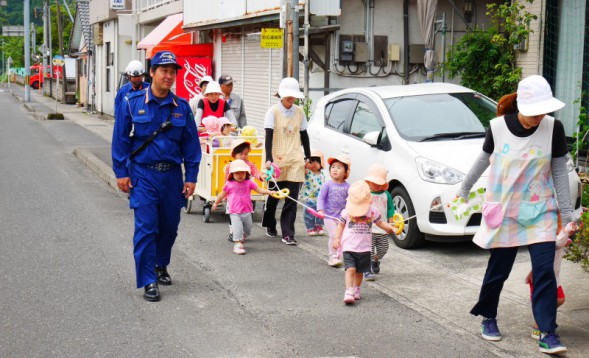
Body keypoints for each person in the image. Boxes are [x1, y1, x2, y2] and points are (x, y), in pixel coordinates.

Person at [457, 75, 575, 355]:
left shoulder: (553, 128)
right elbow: (483, 159)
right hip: (505, 210)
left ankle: (548, 332)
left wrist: (568, 213)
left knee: (545, 271)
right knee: (499, 269)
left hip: (540, 211)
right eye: (535, 111)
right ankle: (488, 316)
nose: (539, 116)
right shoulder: (497, 127)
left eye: (544, 110)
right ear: (521, 104)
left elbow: (558, 170)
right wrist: (464, 189)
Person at [111, 50, 200, 302]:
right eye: (164, 71)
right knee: (146, 228)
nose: (169, 76)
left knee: (170, 227)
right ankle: (148, 279)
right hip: (143, 175)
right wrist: (121, 172)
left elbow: (191, 146)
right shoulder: (133, 102)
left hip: (171, 177)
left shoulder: (182, 108)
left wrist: (191, 177)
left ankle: (161, 264)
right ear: (152, 73)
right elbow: (120, 139)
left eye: (173, 72)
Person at [262, 77, 311, 246]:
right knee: (274, 196)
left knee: (291, 197)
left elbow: (304, 134)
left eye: (293, 95)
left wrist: (308, 156)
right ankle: (269, 223)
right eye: (288, 95)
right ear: (281, 95)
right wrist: (268, 158)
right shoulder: (272, 112)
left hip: (295, 157)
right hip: (277, 157)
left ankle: (288, 233)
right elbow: (268, 136)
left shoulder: (300, 112)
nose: (291, 98)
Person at [333, 181, 396, 304]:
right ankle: (349, 290)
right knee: (350, 269)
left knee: (360, 272)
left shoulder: (372, 211)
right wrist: (337, 238)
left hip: (365, 248)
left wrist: (390, 227)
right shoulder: (346, 212)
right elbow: (340, 226)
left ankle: (356, 288)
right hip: (349, 247)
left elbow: (380, 223)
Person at [525, 213, 577, 340]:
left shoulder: (558, 234)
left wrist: (567, 233)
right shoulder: (545, 236)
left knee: (559, 299)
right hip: (541, 276)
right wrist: (567, 230)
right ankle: (538, 327)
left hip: (554, 276)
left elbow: (561, 242)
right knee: (546, 300)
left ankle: (545, 319)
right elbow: (556, 244)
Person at [212, 160, 276, 255]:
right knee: (237, 229)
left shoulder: (249, 183)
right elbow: (222, 195)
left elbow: (259, 190)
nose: (240, 175)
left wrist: (269, 192)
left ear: (246, 173)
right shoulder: (229, 184)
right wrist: (216, 203)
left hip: (247, 211)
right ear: (231, 174)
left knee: (248, 229)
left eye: (242, 172)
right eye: (237, 173)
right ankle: (237, 244)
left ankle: (242, 236)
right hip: (234, 212)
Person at [223, 139, 267, 242]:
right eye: (240, 154)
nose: (244, 156)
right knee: (233, 214)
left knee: (246, 215)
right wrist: (226, 195)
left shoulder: (250, 165)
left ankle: (242, 232)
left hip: (245, 195)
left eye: (246, 154)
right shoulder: (230, 166)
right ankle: (232, 232)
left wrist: (262, 176)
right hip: (233, 196)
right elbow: (226, 182)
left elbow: (256, 173)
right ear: (234, 154)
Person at [363, 164, 398, 281]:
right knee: (369, 250)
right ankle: (367, 270)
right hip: (369, 228)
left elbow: (390, 209)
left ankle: (376, 260)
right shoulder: (367, 193)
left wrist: (391, 223)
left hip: (382, 227)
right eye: (375, 183)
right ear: (368, 182)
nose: (378, 186)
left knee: (384, 248)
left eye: (380, 183)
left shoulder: (386, 194)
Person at [317, 156, 351, 267]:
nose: (335, 169)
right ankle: (332, 257)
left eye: (339, 168)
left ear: (346, 172)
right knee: (333, 235)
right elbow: (321, 198)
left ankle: (338, 256)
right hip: (329, 216)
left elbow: (351, 200)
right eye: (333, 167)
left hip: (342, 218)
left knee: (342, 236)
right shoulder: (327, 185)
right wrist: (320, 210)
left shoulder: (348, 186)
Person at [300, 150, 326, 237]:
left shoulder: (322, 174)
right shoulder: (307, 172)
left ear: (321, 163)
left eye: (317, 162)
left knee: (320, 213)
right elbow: (302, 168)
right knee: (309, 214)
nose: (315, 164)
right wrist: (305, 163)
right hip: (309, 198)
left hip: (320, 199)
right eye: (312, 161)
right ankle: (310, 227)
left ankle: (319, 226)